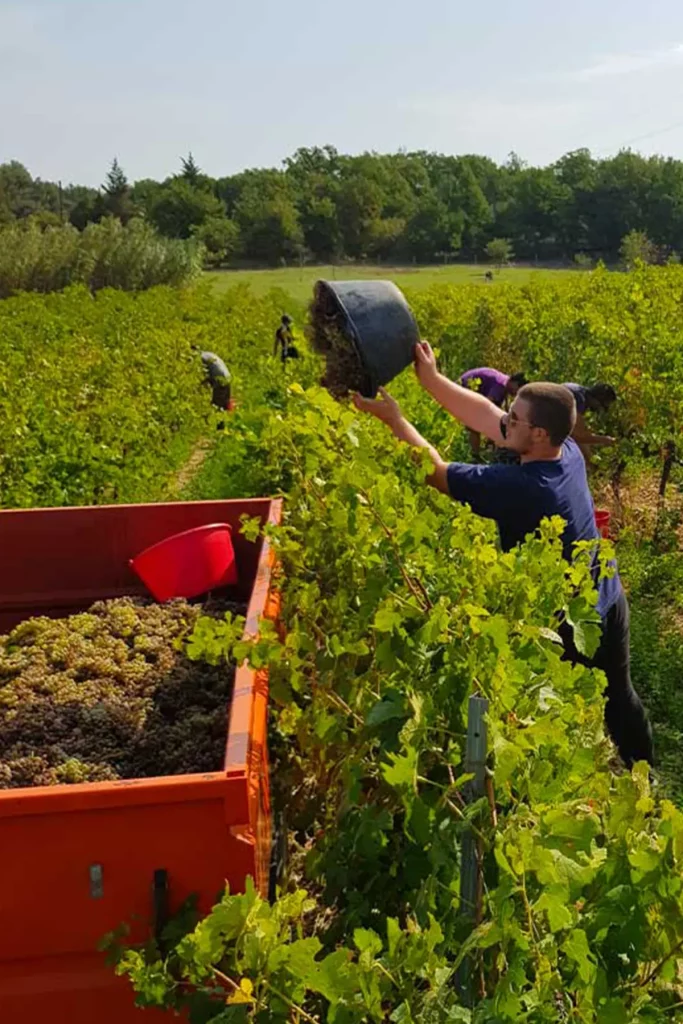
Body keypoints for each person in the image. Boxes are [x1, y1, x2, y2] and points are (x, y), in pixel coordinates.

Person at [354, 343, 653, 769]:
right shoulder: (564, 452)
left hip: (569, 622)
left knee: (553, 710)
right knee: (620, 697)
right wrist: (432, 380)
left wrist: (395, 420)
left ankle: (569, 782)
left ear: (538, 434)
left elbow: (436, 473)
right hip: (607, 596)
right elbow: (486, 417)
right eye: (509, 411)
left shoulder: (524, 487)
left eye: (515, 417)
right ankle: (644, 769)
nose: (505, 419)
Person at [459, 367, 527, 459]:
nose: (516, 394)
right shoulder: (501, 385)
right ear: (514, 383)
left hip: (473, 391)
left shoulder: (504, 382)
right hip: (464, 388)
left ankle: (484, 449)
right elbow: (487, 406)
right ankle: (475, 456)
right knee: (475, 426)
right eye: (518, 390)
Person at [562, 382, 617, 458]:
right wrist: (604, 440)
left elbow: (579, 432)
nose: (598, 409)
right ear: (597, 400)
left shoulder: (579, 390)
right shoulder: (579, 399)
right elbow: (579, 436)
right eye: (600, 406)